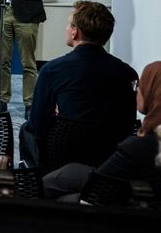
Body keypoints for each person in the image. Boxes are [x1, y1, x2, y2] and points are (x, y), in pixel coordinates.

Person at [21, 1, 139, 164]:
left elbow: (37, 123)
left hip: (63, 159)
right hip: (110, 160)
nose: (66, 29)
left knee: (25, 130)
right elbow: (128, 124)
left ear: (75, 32)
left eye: (68, 25)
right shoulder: (128, 73)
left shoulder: (53, 70)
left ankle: (33, 183)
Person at [42, 61, 161, 201]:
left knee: (52, 192)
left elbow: (96, 190)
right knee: (63, 175)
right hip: (123, 189)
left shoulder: (139, 147)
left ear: (150, 93)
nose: (136, 91)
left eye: (140, 86)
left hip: (115, 202)